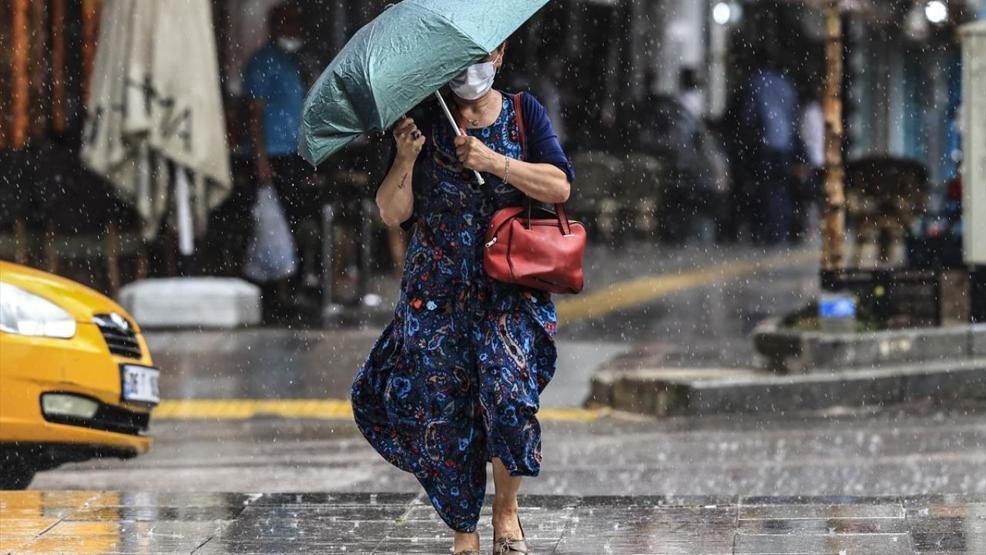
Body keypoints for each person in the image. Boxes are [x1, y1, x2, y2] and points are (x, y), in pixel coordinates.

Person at [351, 42, 574, 555]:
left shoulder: (523, 112)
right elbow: (391, 212)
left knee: (510, 397)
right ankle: (463, 532)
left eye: (482, 55)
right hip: (437, 291)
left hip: (508, 286)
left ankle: (505, 511)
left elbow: (559, 186)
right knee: (445, 412)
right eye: (460, 58)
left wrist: (494, 161)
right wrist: (405, 157)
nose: (471, 68)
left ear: (499, 56)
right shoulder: (425, 118)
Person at [244, 2, 319, 321]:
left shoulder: (296, 61)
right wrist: (261, 160)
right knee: (275, 226)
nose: (294, 31)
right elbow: (254, 114)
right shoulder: (262, 62)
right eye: (288, 24)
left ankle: (294, 289)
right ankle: (275, 296)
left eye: (297, 25)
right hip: (274, 155)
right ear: (275, 27)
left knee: (297, 223)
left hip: (295, 152)